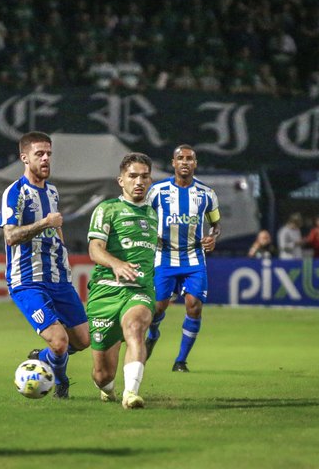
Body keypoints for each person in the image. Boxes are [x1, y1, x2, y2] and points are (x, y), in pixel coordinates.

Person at [0, 131, 90, 399]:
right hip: (27, 281)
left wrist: (63, 254)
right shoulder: (14, 192)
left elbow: (56, 228)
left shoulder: (51, 191)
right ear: (24, 158)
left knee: (82, 341)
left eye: (49, 153)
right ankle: (61, 383)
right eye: (40, 154)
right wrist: (44, 223)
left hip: (58, 279)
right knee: (60, 341)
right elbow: (11, 236)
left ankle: (41, 357)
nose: (46, 158)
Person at [86, 153, 157, 409]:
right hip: (105, 292)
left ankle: (131, 393)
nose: (139, 181)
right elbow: (95, 249)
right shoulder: (107, 210)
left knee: (136, 327)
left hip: (139, 290)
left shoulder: (155, 215)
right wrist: (117, 264)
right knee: (102, 375)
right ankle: (108, 388)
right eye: (133, 176)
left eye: (144, 176)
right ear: (121, 180)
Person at [144, 144, 221, 372]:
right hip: (163, 257)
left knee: (194, 306)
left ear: (195, 164)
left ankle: (180, 361)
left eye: (189, 158)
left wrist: (212, 237)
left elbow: (215, 224)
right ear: (173, 163)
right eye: (181, 158)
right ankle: (153, 333)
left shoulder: (207, 194)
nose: (185, 162)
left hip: (194, 258)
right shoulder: (157, 191)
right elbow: (144, 218)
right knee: (157, 307)